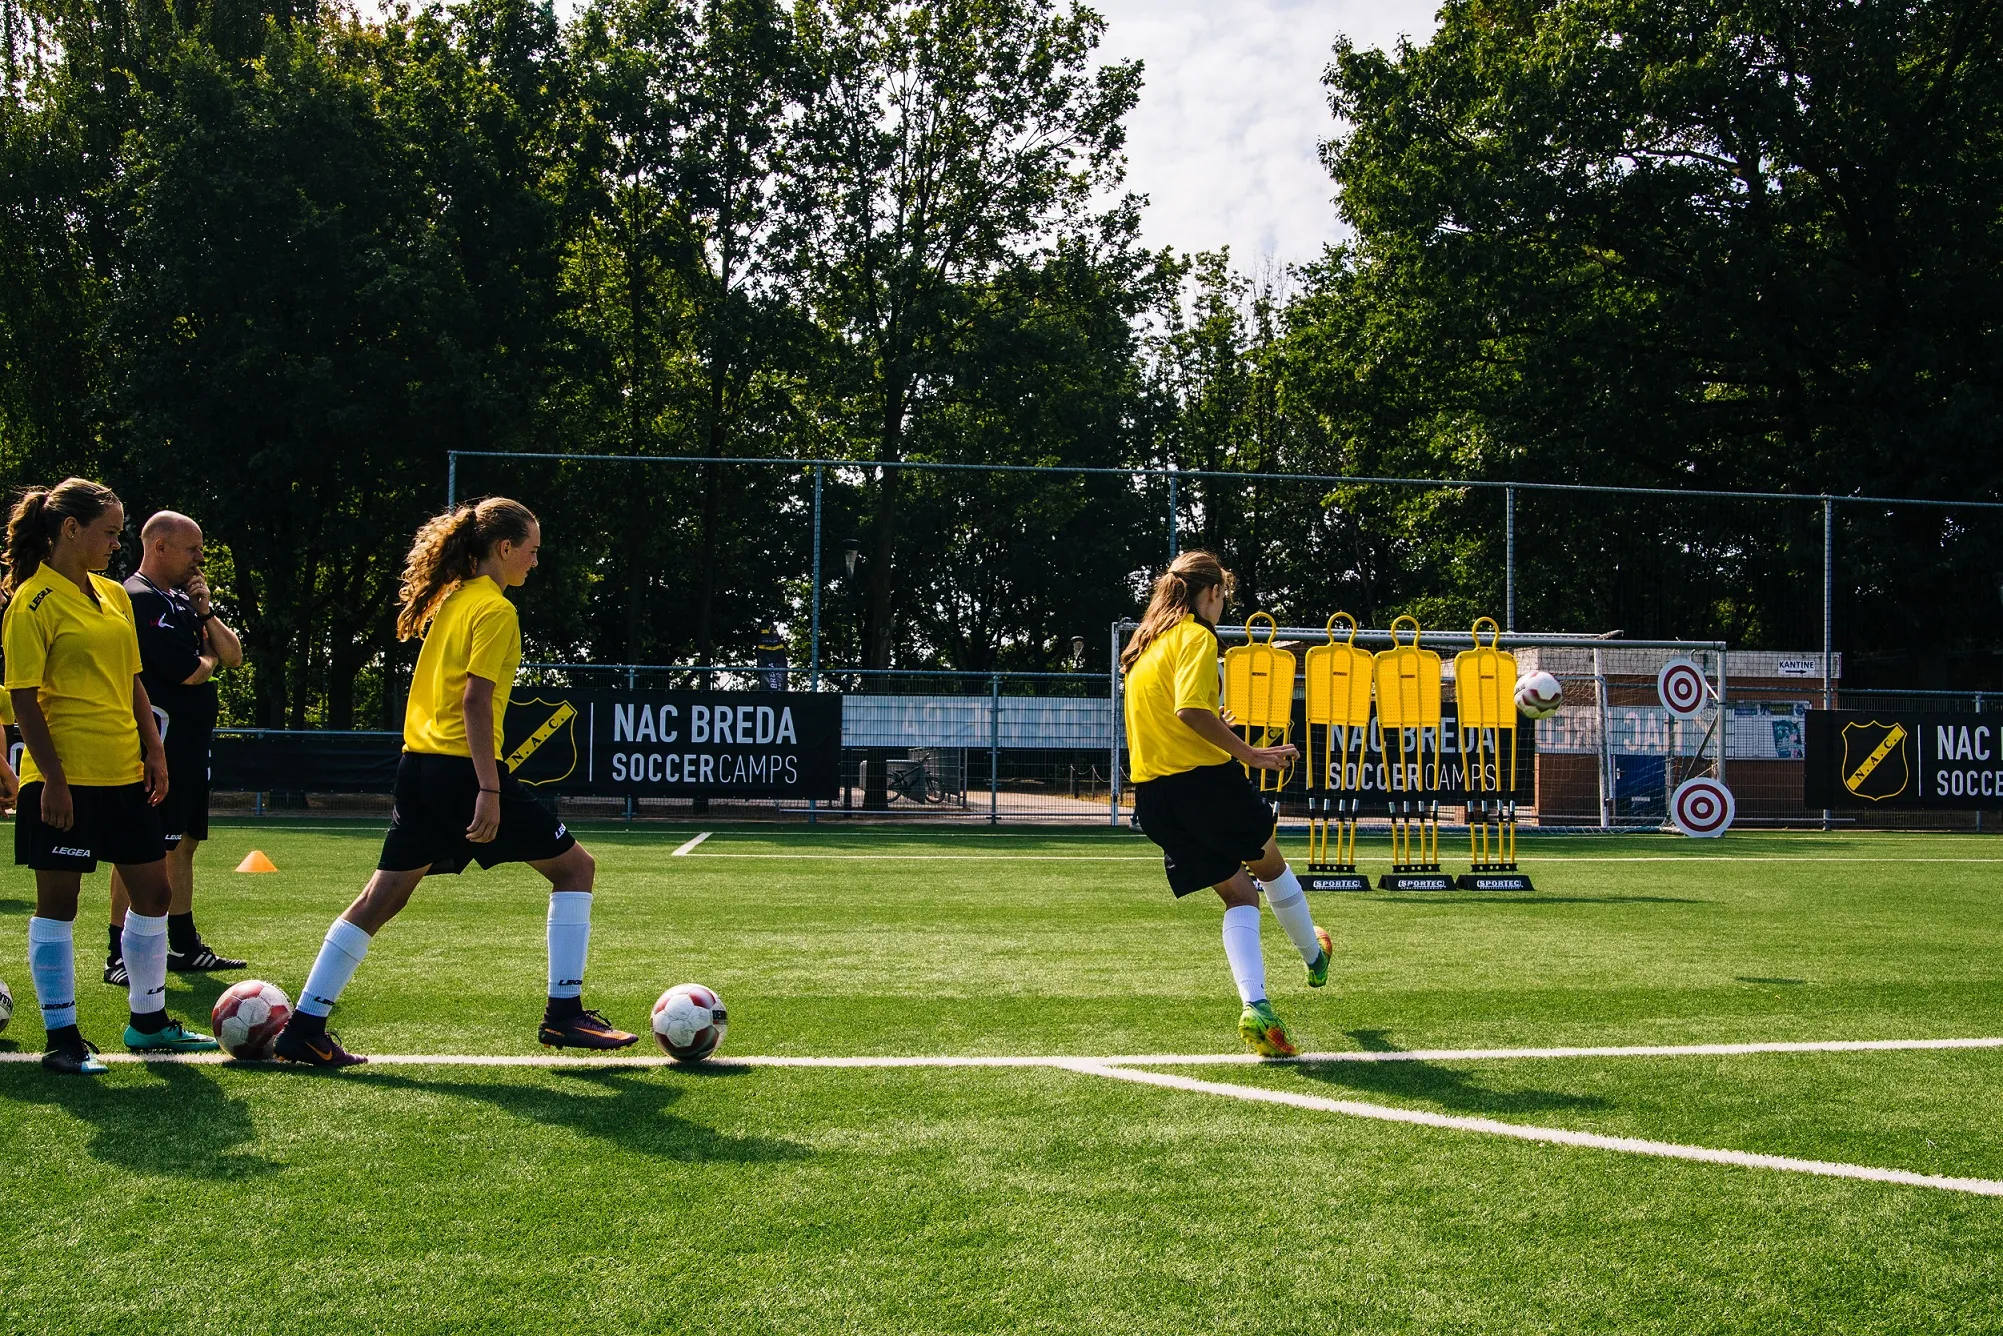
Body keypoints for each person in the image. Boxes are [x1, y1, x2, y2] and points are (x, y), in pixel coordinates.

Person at [273, 497, 636, 1067]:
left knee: (382, 896)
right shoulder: (495, 610)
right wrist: (489, 789)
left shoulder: (454, 601)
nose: (535, 564)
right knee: (575, 868)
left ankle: (304, 1025)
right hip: (460, 771)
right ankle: (564, 1016)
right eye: (532, 552)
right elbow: (475, 699)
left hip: (418, 767)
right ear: (505, 547)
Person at [5, 478, 219, 1074]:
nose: (114, 545)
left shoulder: (112, 595)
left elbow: (133, 681)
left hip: (125, 771)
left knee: (153, 892)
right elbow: (24, 700)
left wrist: (154, 751)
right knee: (60, 905)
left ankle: (147, 1021)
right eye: (109, 532)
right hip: (63, 779)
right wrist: (52, 780)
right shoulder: (31, 602)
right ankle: (62, 1037)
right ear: (69, 530)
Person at [1120, 550, 1332, 1057]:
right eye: (1224, 597)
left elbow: (1178, 723)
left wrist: (1221, 731)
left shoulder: (1144, 649)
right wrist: (1251, 753)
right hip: (1206, 786)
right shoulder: (1196, 636)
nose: (1222, 607)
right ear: (1211, 592)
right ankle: (1314, 955)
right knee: (1272, 865)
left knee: (1241, 895)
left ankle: (1256, 1007)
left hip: (1155, 799)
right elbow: (1191, 711)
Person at [103, 511, 246, 985]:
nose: (200, 558)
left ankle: (183, 946)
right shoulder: (138, 597)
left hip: (190, 746)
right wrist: (205, 657)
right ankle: (118, 952)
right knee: (141, 847)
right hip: (158, 746)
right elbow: (194, 669)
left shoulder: (184, 601)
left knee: (183, 844)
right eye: (192, 549)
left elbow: (233, 656)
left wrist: (205, 612)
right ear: (160, 547)